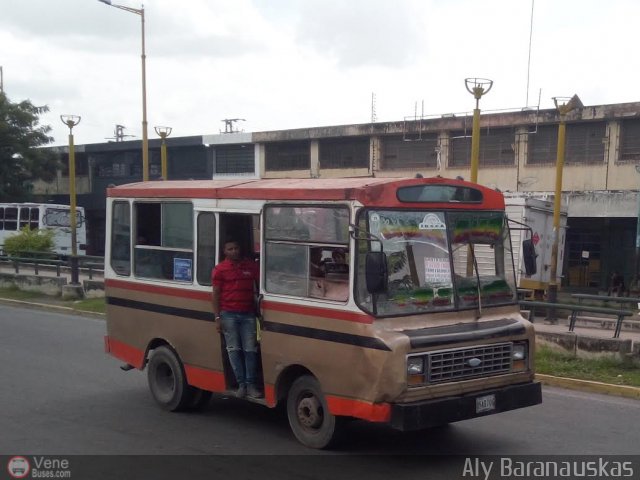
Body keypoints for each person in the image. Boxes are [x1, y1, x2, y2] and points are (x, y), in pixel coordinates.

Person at [211, 239, 263, 399]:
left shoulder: (250, 266)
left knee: (250, 350)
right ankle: (241, 385)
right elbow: (216, 295)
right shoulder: (220, 270)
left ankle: (251, 385)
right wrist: (217, 317)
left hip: (248, 314)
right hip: (228, 315)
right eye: (230, 249)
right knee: (234, 350)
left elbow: (260, 284)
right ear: (225, 251)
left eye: (236, 248)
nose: (234, 251)